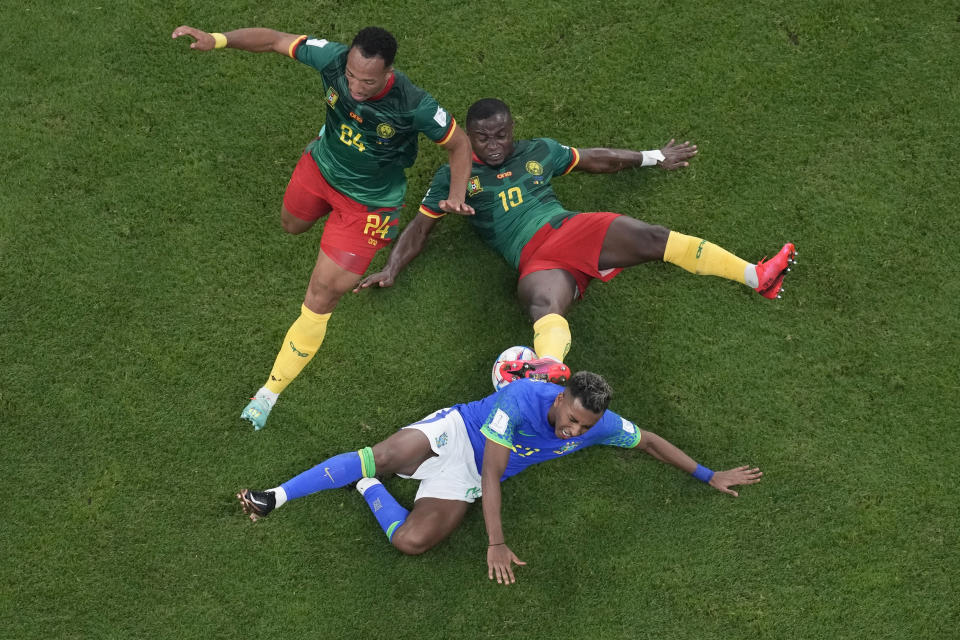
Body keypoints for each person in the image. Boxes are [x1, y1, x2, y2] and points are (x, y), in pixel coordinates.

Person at [355, 98, 796, 383]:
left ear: (513, 129)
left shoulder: (539, 152)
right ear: (469, 136)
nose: (492, 145)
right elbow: (420, 227)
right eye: (483, 137)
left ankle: (757, 277)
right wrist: (392, 269)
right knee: (543, 306)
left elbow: (597, 160)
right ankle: (549, 369)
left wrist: (654, 157)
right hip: (533, 259)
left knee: (654, 237)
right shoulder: (454, 176)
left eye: (501, 135)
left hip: (570, 228)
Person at [171, 25, 475, 429]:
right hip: (320, 169)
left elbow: (460, 145)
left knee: (323, 293)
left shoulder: (414, 104)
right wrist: (218, 39)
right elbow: (276, 40)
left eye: (367, 81)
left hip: (368, 206)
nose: (355, 86)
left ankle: (269, 393)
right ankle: (324, 153)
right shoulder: (332, 58)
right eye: (350, 76)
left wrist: (456, 194)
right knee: (292, 225)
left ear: (388, 73)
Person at [237, 371, 763, 585]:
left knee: (413, 542)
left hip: (464, 476)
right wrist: (496, 541)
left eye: (583, 426)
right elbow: (493, 472)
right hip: (460, 435)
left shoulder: (600, 425)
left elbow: (648, 440)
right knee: (387, 451)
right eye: (571, 418)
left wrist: (708, 473)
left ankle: (368, 489)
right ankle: (275, 495)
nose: (571, 430)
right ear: (559, 396)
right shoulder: (520, 399)